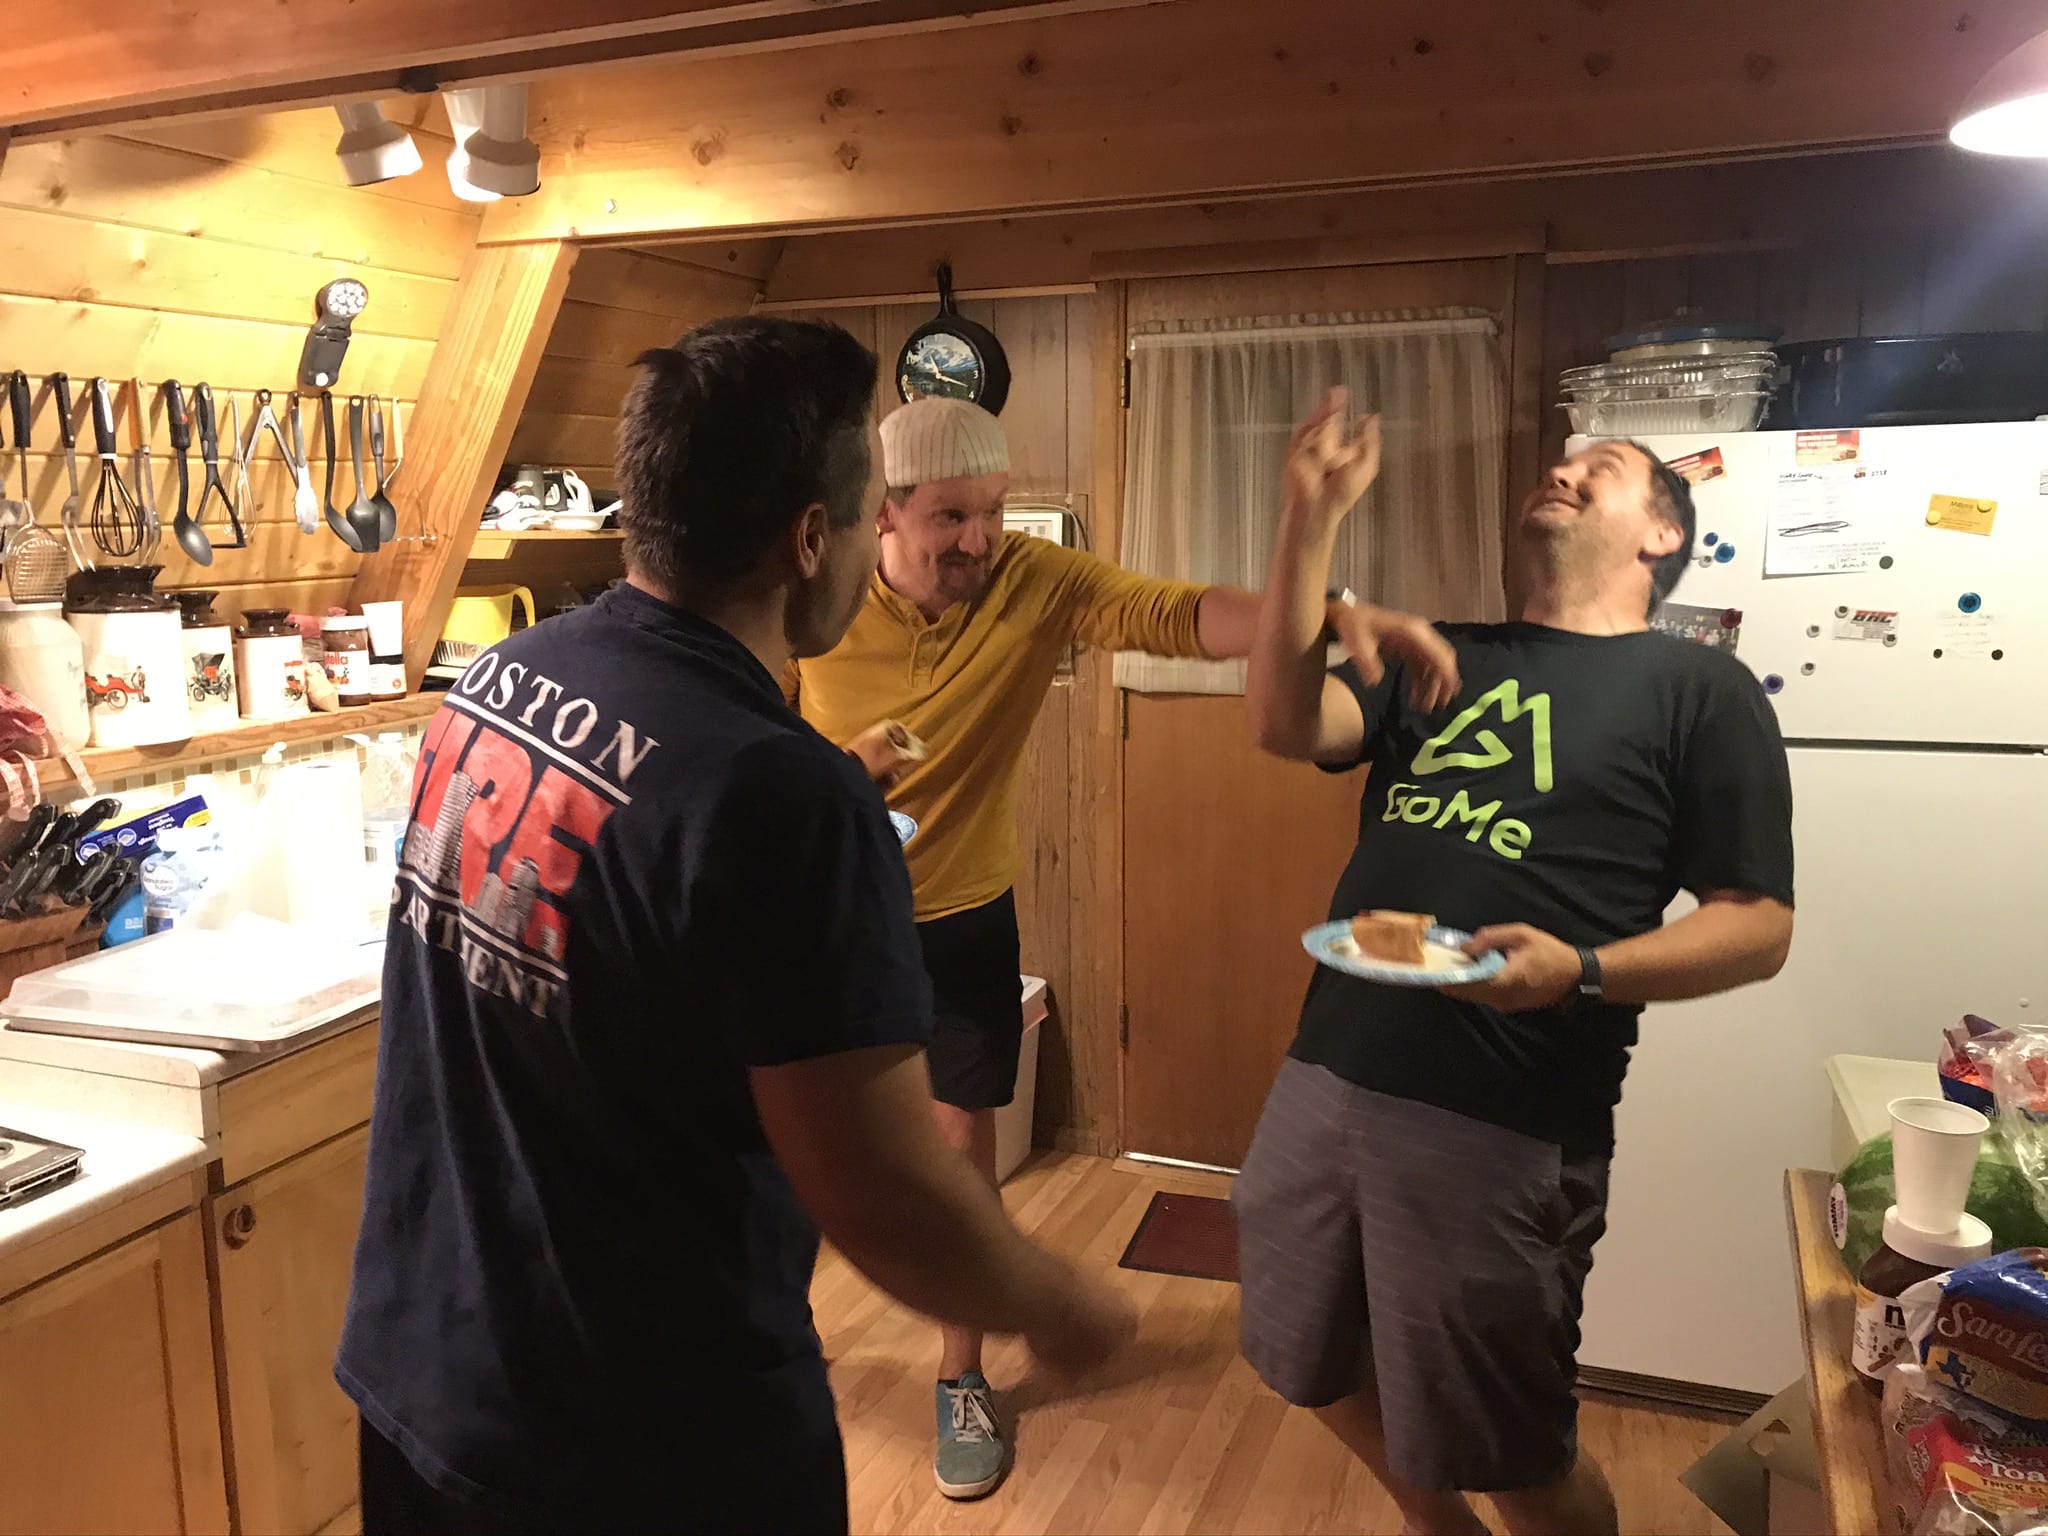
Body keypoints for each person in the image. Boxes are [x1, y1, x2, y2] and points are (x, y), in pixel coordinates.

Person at [335, 317, 1135, 1536]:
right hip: (646, 1449)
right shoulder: (780, 793)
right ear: (811, 539)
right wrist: (1061, 1304)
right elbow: (885, 1194)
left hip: (420, 1379)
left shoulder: (499, 679)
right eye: (869, 518)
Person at [787, 393, 1448, 1500]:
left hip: (964, 915)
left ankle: (961, 1374)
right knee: (794, 1137)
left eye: (992, 512)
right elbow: (751, 740)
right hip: (827, 913)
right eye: (950, 516)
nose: (979, 540)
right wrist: (840, 776)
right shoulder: (822, 596)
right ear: (886, 511)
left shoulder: (1032, 581)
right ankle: (780, 1342)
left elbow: (1178, 615)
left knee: (959, 1149)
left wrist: (1332, 616)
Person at [1237, 391, 1797, 1536]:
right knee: (1301, 1354)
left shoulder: (1699, 689)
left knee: (1511, 1450)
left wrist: (1579, 969)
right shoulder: (1441, 651)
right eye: (1560, 461)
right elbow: (1283, 724)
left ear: (1661, 534)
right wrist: (1310, 517)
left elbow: (1756, 925)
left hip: (1503, 1111)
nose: (1564, 470)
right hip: (1328, 1061)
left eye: (1603, 467)